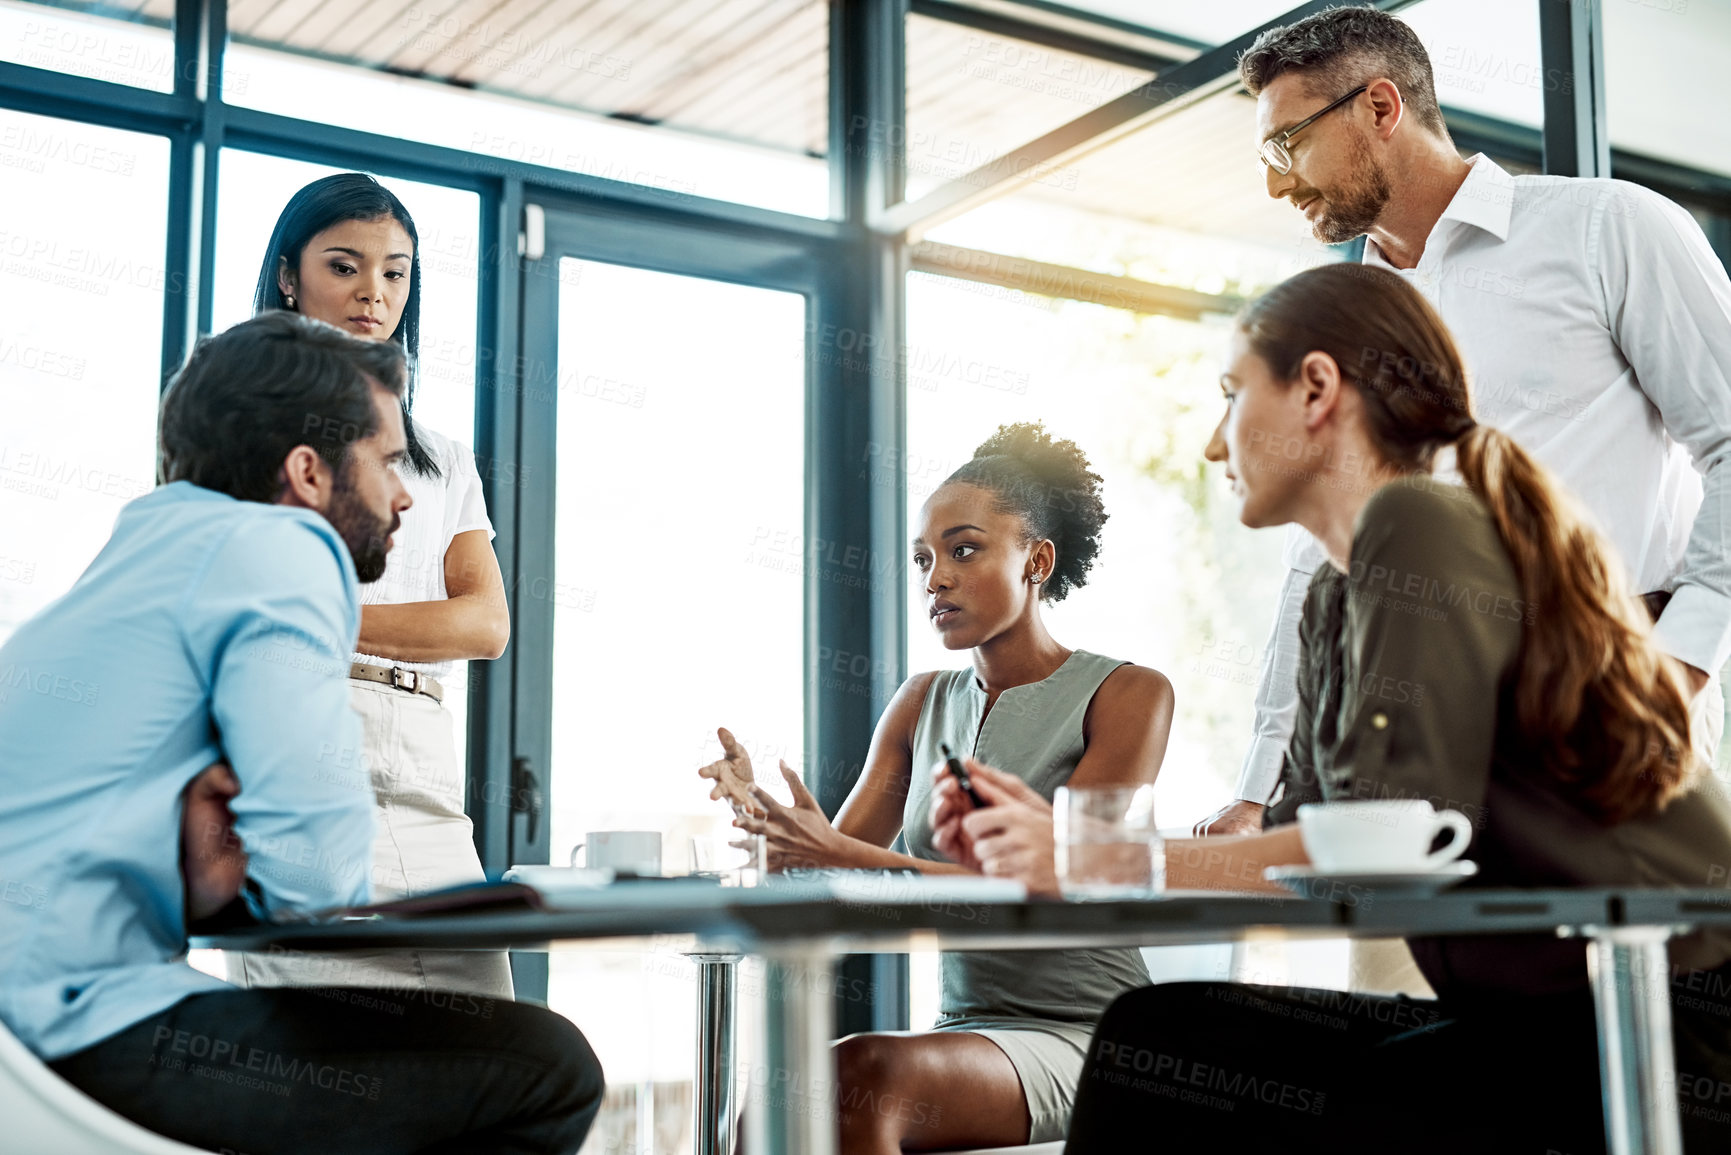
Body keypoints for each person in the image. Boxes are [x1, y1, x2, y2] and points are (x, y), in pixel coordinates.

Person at [946, 264, 1731, 1153]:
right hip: (1543, 1022)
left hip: (1677, 1033)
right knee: (1156, 1038)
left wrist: (1093, 857)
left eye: (1231, 394)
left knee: (1259, 1089)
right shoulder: (1335, 594)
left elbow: (1393, 841)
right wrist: (1062, 847)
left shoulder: (1418, 523)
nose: (1212, 443)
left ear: (1316, 387)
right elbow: (1321, 858)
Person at [0, 312, 602, 1154]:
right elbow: (317, 874)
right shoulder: (283, 548)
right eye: (389, 461)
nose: (403, 495)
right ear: (308, 471)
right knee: (549, 1064)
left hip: (25, 1032)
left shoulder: (146, 551)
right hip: (81, 1027)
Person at [1195, 6, 1731, 842]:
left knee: (1632, 972)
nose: (1274, 183)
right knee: (1433, 973)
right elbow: (1317, 556)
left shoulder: (1606, 229)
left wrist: (1680, 662)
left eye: (1286, 143)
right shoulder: (1347, 326)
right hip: (1416, 737)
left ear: (1380, 107)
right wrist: (1260, 785)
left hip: (1608, 712)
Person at [700, 423, 1174, 1153]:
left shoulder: (1128, 694)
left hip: (1094, 1038)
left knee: (857, 1078)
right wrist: (769, 822)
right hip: (965, 1032)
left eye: (963, 548)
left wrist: (839, 855)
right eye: (923, 558)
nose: (934, 578)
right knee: (771, 1109)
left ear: (1036, 560)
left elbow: (1054, 881)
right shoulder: (920, 701)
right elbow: (837, 866)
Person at [227, 173, 514, 1000]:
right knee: (319, 1056)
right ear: (289, 273)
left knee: (481, 1031)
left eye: (395, 272)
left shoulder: (439, 456)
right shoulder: (239, 429)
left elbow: (485, 624)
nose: (373, 293)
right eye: (345, 266)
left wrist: (320, 615)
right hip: (303, 746)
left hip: (423, 768)